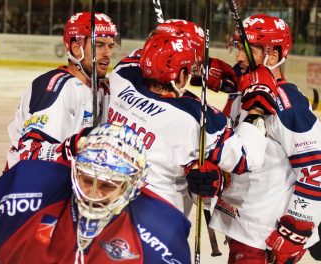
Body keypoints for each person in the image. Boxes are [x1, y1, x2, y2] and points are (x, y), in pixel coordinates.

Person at [0, 122, 192, 264]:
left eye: (108, 185)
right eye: (87, 179)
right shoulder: (22, 192)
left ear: (133, 186)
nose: (92, 195)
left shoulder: (164, 236)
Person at [107, 31, 276, 215]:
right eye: (187, 70)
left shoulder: (121, 76)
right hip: (158, 218)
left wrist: (196, 67)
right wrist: (256, 108)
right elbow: (247, 158)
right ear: (181, 76)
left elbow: (145, 56)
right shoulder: (198, 117)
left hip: (107, 200)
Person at [198, 14, 321, 263]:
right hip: (242, 227)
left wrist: (295, 229)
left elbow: (314, 168)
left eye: (247, 50)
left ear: (272, 56)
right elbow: (237, 151)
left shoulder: (288, 104)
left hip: (264, 237)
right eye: (239, 49)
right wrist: (213, 174)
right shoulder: (242, 96)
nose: (238, 57)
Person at [5, 12, 119, 170]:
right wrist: (77, 146)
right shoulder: (57, 87)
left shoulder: (101, 88)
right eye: (99, 45)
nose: (107, 53)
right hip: (30, 186)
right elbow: (31, 153)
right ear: (76, 48)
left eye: (110, 46)